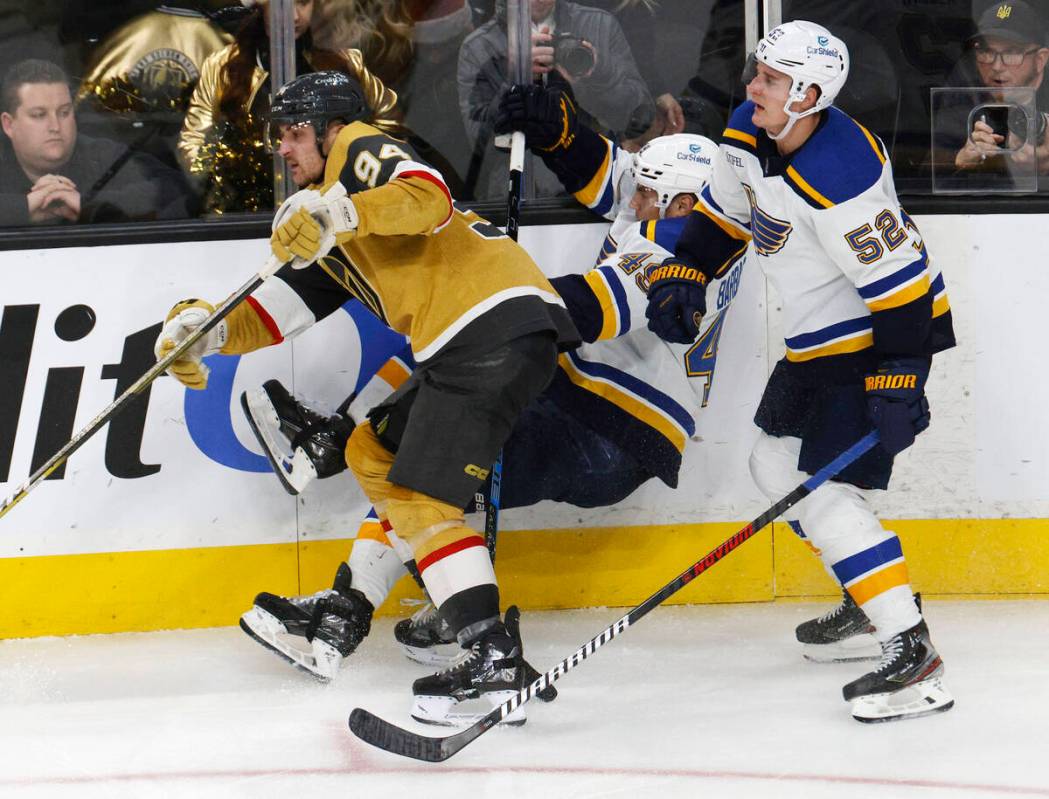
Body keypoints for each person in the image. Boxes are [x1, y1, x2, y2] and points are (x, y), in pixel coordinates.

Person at [237, 113, 737, 679]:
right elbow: (614, 177)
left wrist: (497, 286)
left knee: (418, 463)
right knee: (405, 461)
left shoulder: (672, 247)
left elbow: (588, 309)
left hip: (605, 429)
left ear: (681, 205)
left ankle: (403, 617)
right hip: (597, 415)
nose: (635, 200)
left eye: (650, 194)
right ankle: (384, 606)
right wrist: (556, 121)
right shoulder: (684, 216)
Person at [154, 70, 579, 726]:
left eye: (296, 133)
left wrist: (339, 210)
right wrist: (201, 333)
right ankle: (389, 621)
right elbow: (274, 313)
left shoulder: (357, 148)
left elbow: (426, 196)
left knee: (419, 498)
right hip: (487, 338)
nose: (284, 148)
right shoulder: (320, 221)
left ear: (330, 128)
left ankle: (490, 653)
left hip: (485, 326)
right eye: (279, 137)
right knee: (373, 449)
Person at [646, 21, 957, 723]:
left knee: (812, 485)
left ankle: (914, 654)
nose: (751, 86)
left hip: (878, 339)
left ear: (808, 93)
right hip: (816, 337)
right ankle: (867, 594)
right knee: (772, 464)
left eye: (769, 79)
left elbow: (901, 286)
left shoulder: (839, 176)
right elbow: (727, 214)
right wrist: (687, 267)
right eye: (756, 71)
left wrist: (901, 374)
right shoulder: (750, 133)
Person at [177, 0, 399, 212]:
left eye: (303, 2)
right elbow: (193, 142)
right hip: (246, 214)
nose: (293, 16)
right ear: (260, 5)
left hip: (336, 207)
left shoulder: (344, 63)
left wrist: (351, 170)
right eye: (279, 4)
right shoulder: (223, 68)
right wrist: (226, 179)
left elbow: (388, 124)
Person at [456, 0, 651, 199]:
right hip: (518, 200)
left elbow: (637, 119)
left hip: (595, 188)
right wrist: (515, 78)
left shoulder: (600, 25)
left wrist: (597, 76)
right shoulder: (478, 47)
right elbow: (481, 147)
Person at [0, 59, 193, 225]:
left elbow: (175, 187)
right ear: (9, 125)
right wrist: (24, 208)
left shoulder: (103, 156)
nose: (55, 126)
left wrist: (89, 206)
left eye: (64, 112)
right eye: (39, 115)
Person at [76, 1, 232, 173]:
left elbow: (87, 109)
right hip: (137, 171)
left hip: (130, 167)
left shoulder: (128, 36)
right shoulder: (222, 43)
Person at [946, 1, 1049, 179]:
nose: (997, 65)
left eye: (1012, 52)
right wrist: (960, 163)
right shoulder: (961, 109)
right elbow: (918, 175)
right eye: (986, 51)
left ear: (1040, 60)